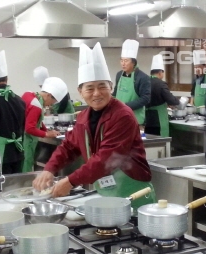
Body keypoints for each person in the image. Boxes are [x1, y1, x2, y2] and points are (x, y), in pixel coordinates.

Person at [33, 42, 156, 209]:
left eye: (102, 87)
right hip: (106, 190)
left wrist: (70, 181)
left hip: (133, 191)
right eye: (90, 88)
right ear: (80, 92)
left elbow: (107, 158)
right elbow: (69, 146)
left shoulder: (123, 115)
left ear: (111, 87)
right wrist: (49, 169)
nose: (97, 93)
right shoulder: (84, 117)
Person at [21, 78, 67, 172]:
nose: (50, 105)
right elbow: (29, 128)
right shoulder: (36, 105)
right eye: (52, 102)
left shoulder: (29, 94)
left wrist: (46, 130)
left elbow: (37, 119)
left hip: (19, 138)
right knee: (25, 167)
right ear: (48, 95)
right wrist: (46, 134)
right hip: (26, 141)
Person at [113, 39, 151, 127]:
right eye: (121, 60)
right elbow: (115, 93)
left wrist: (125, 106)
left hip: (135, 119)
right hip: (119, 118)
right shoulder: (119, 75)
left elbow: (146, 98)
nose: (123, 63)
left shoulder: (142, 77)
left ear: (133, 62)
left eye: (126, 61)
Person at [145, 54, 179, 137]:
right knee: (161, 142)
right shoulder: (161, 84)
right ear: (160, 72)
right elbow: (171, 100)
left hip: (147, 118)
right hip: (158, 119)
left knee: (150, 142)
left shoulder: (145, 82)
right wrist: (176, 101)